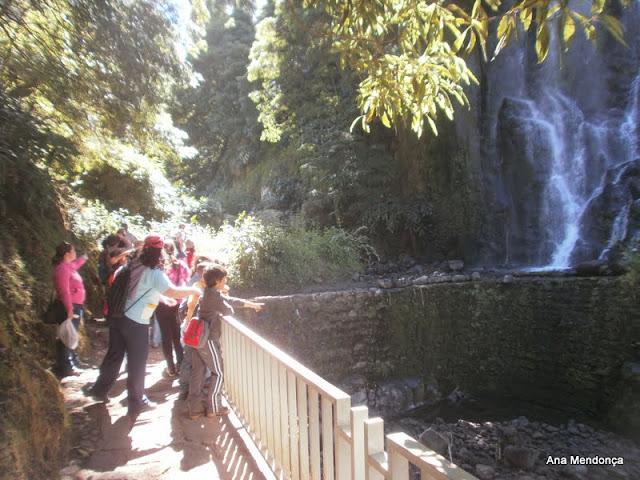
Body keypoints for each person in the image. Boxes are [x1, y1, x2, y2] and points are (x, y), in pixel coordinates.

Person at [86, 235, 201, 416]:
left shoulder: (133, 265)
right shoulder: (154, 272)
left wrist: (162, 298)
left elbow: (138, 289)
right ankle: (137, 400)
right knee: (137, 362)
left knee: (114, 355)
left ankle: (99, 390)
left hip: (118, 317)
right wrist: (194, 289)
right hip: (136, 322)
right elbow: (172, 290)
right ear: (160, 252)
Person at [188, 264, 263, 418]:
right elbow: (229, 309)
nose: (225, 282)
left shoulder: (207, 293)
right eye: (224, 280)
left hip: (198, 338)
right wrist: (226, 301)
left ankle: (194, 409)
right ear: (218, 281)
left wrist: (251, 304)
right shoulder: (214, 296)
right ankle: (214, 408)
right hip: (208, 340)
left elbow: (230, 300)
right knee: (219, 373)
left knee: (198, 372)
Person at [52, 242, 87, 378]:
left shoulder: (69, 266)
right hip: (69, 307)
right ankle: (65, 367)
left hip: (75, 305)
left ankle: (69, 363)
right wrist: (69, 309)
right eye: (73, 251)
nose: (75, 253)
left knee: (70, 334)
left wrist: (84, 258)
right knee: (66, 336)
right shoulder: (62, 269)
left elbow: (77, 264)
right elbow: (64, 291)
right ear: (67, 254)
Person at [156, 240, 191, 376]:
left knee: (166, 336)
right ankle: (181, 364)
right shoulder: (180, 265)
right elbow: (186, 280)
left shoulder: (158, 268)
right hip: (176, 304)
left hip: (160, 304)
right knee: (176, 335)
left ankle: (170, 367)